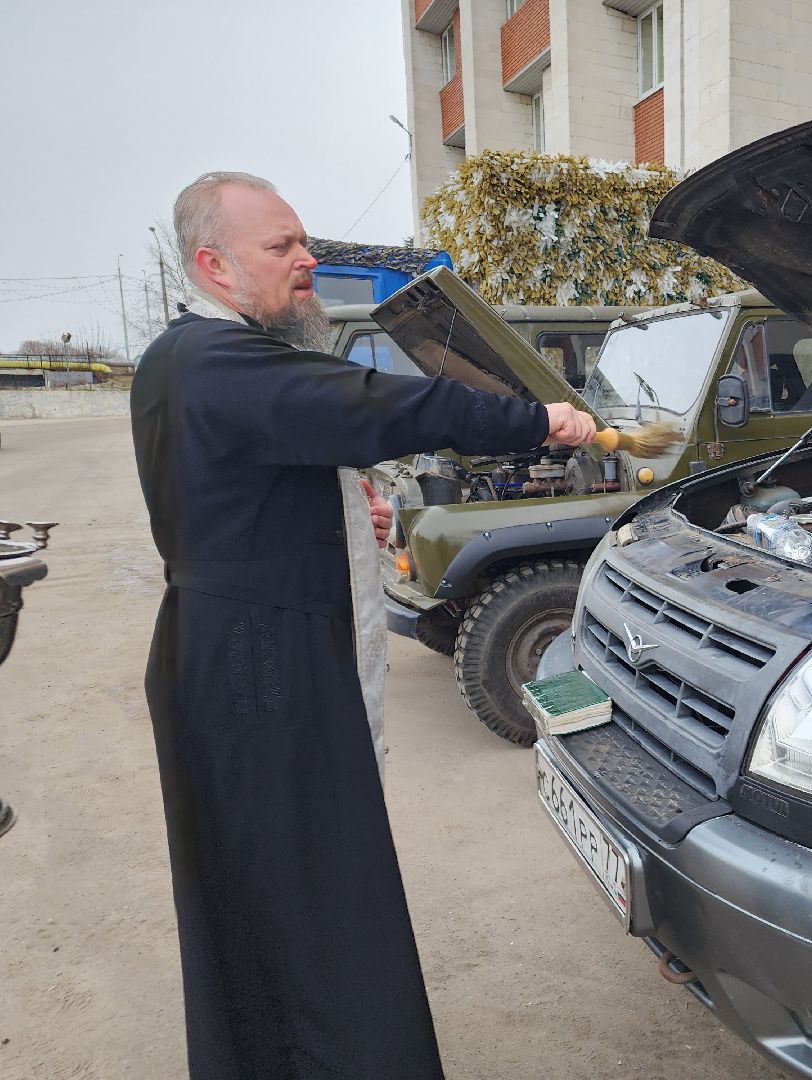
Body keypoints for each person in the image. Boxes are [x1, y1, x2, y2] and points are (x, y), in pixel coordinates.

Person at [130, 171, 595, 1079]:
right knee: (307, 888)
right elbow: (381, 407)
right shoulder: (223, 362)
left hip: (228, 643)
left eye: (304, 243)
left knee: (269, 885)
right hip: (259, 669)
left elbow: (235, 487)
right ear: (213, 265)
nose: (307, 262)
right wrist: (537, 419)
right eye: (282, 248)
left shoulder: (183, 359)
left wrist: (343, 513)